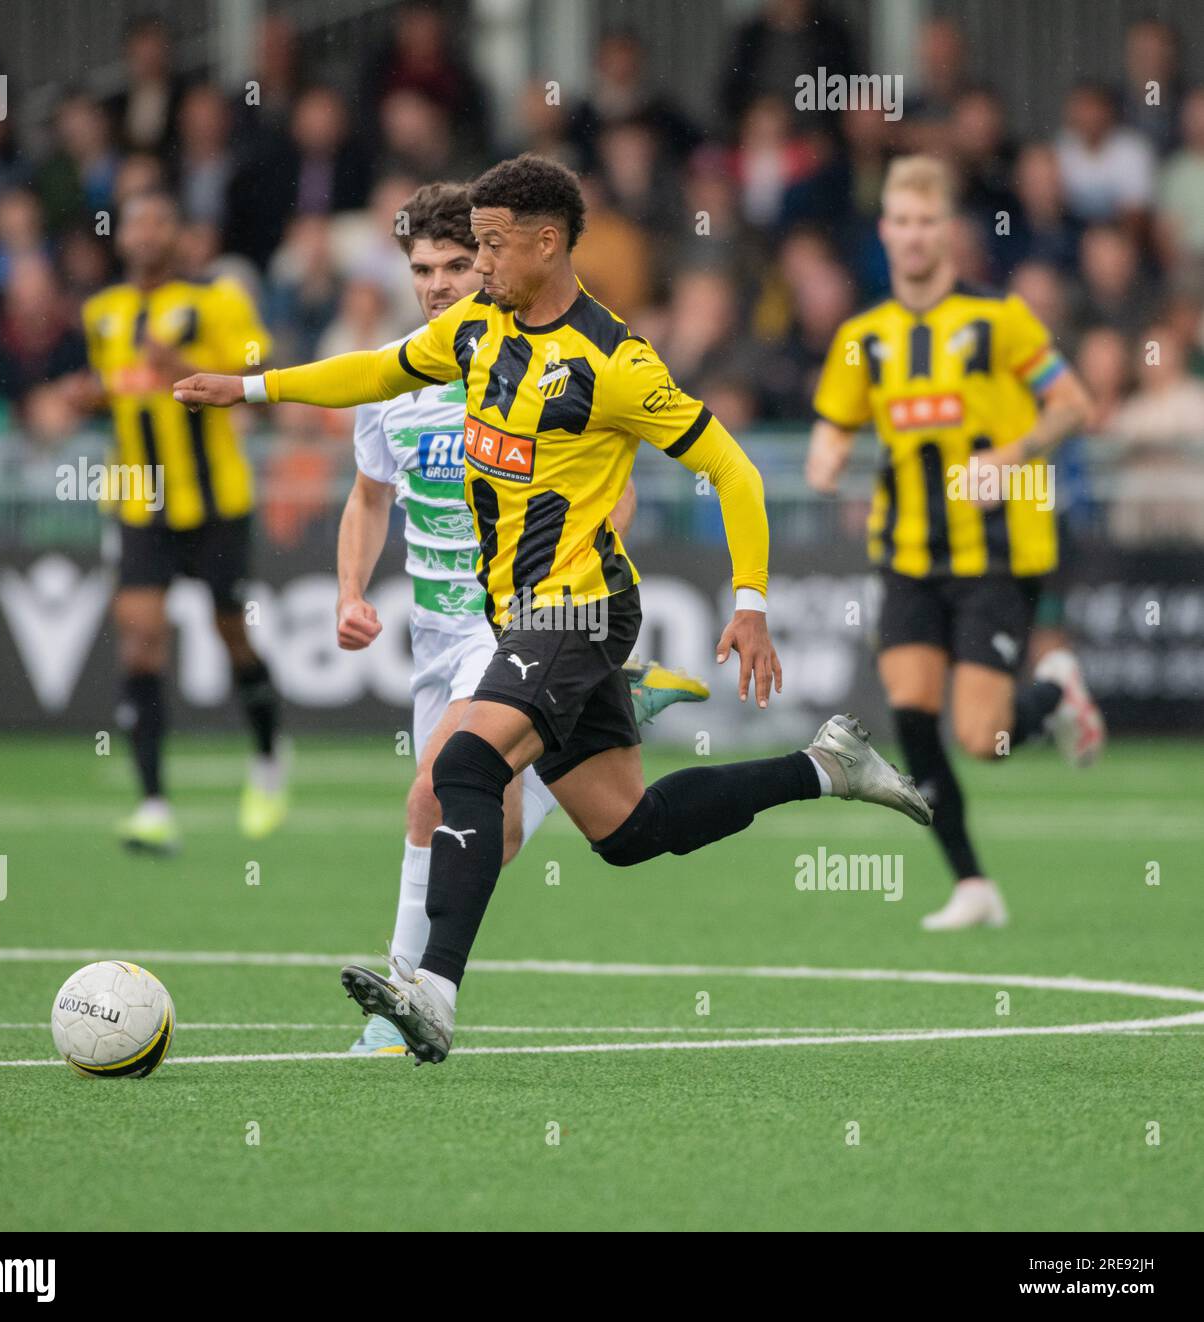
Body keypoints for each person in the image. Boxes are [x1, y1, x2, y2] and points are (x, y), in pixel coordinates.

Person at [172, 153, 932, 1065]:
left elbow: (731, 467)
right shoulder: (476, 334)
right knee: (627, 830)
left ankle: (431, 992)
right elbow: (372, 373)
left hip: (579, 612)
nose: (476, 267)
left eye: (489, 247)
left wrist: (752, 600)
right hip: (517, 618)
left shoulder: (615, 360)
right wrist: (249, 388)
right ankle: (826, 766)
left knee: (462, 766)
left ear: (546, 241)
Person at [338, 180, 709, 1054]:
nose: (437, 283)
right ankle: (595, 713)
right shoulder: (398, 378)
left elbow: (599, 474)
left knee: (434, 791)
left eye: (458, 263)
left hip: (517, 621)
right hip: (436, 632)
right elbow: (366, 497)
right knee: (490, 830)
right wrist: (351, 590)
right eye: (423, 267)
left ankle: (404, 1002)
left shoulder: (531, 359)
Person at [806, 156, 1103, 933]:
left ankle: (1056, 694)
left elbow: (1074, 404)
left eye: (926, 222)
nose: (912, 235)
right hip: (906, 554)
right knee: (909, 712)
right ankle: (973, 884)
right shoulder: (863, 336)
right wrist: (827, 453)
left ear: (948, 231)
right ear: (885, 231)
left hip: (996, 553)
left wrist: (1011, 455)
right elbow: (834, 421)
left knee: (984, 738)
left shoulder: (999, 319)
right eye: (900, 221)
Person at [68, 190, 288, 851]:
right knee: (139, 640)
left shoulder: (218, 298)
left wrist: (188, 369)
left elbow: (261, 377)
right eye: (134, 220)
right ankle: (155, 805)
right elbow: (118, 392)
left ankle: (269, 756)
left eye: (157, 218)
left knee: (231, 634)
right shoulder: (103, 312)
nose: (144, 231)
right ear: (121, 236)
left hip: (215, 500)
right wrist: (87, 398)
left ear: (179, 234)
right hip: (139, 502)